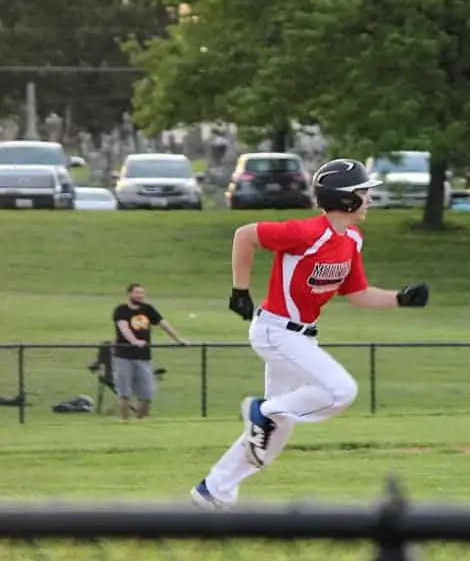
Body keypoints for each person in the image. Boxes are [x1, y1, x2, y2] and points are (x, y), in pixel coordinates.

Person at [190, 158, 429, 510]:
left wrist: (400, 299)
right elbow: (246, 235)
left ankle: (213, 492)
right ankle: (263, 410)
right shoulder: (307, 233)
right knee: (340, 390)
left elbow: (357, 293)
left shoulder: (351, 240)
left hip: (300, 337)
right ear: (346, 199)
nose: (370, 199)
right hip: (275, 331)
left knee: (273, 437)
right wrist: (240, 290)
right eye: (364, 192)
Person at [112, 283, 188, 420]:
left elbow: (163, 324)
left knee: (147, 394)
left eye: (142, 293)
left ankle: (139, 420)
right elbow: (123, 327)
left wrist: (178, 339)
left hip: (144, 357)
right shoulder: (121, 310)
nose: (140, 295)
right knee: (124, 393)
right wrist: (134, 341)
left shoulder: (148, 309)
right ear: (129, 294)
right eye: (137, 293)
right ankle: (124, 421)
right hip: (124, 356)